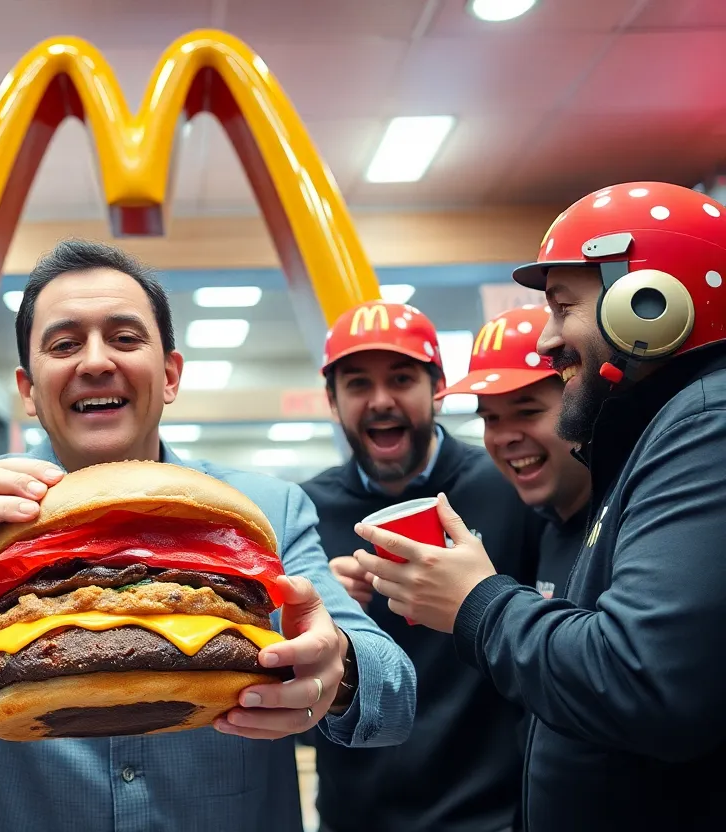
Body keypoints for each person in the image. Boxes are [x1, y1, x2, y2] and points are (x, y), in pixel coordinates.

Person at [0, 239, 418, 832]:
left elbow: (394, 704)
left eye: (124, 337)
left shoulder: (268, 510)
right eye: (63, 345)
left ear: (169, 375)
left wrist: (340, 673)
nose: (95, 362)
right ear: (29, 391)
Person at [353, 181, 726, 831]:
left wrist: (477, 601)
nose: (548, 340)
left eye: (562, 307)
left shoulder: (706, 421)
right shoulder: (660, 433)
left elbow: (644, 683)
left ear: (649, 306)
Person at [298, 300, 544, 832]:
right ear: (333, 401)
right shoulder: (304, 513)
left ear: (436, 388)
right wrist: (319, 614)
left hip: (489, 814)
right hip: (354, 816)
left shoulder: (508, 487)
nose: (381, 400)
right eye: (358, 383)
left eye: (402, 378)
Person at [437, 305, 591, 599]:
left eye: (528, 411)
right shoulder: (551, 525)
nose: (505, 437)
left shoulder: (627, 527)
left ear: (585, 404)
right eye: (490, 419)